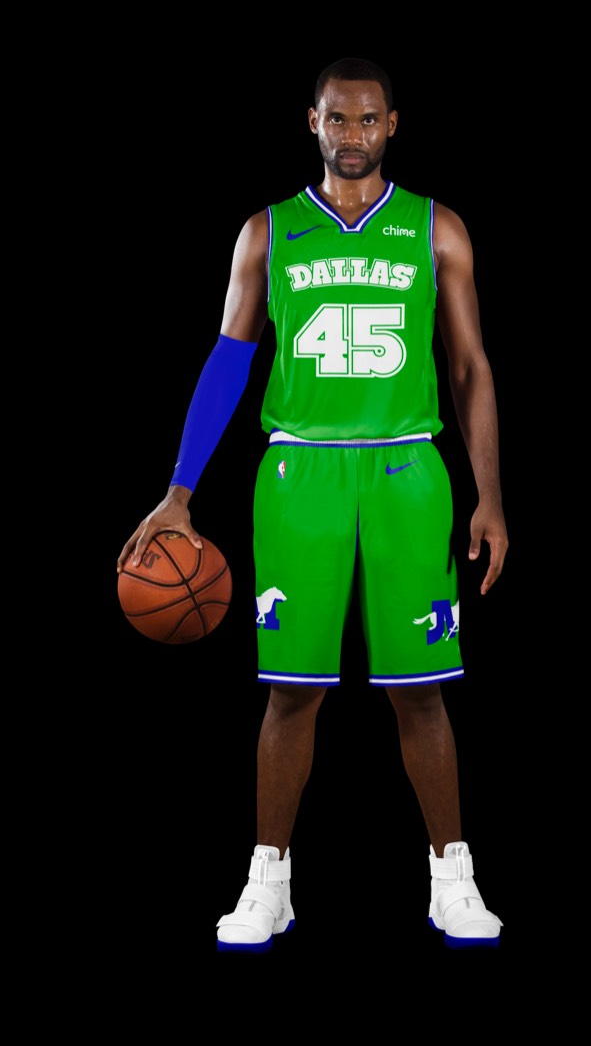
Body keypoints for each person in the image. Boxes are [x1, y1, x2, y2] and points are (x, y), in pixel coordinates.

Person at [117, 57, 508, 952]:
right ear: (313, 122)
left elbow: (470, 366)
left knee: (422, 693)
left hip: (408, 470)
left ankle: (453, 879)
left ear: (392, 125)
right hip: (301, 471)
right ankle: (268, 885)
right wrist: (179, 490)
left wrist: (490, 495)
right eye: (338, 119)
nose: (353, 136)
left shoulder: (436, 228)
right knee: (291, 691)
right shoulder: (268, 231)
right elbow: (228, 360)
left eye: (368, 120)